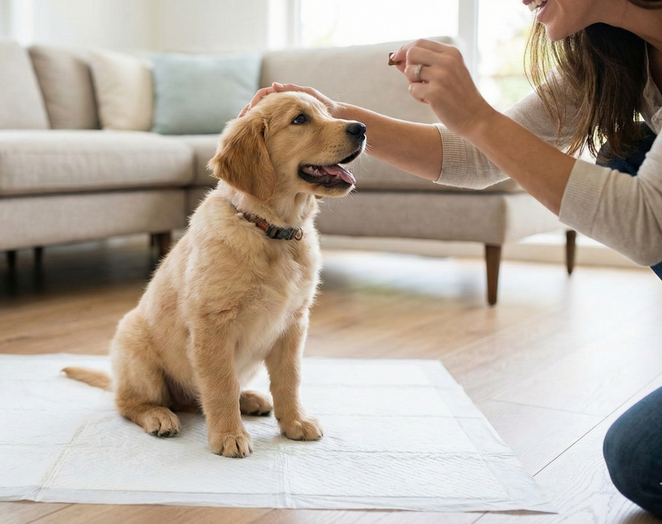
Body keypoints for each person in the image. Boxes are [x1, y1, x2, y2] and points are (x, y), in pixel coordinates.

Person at [241, 0, 662, 516]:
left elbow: (650, 226)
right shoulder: (612, 55)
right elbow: (478, 159)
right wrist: (332, 115)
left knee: (640, 461)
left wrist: (480, 117)